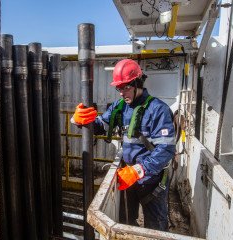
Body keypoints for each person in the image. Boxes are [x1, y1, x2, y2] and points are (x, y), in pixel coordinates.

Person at [71, 59, 175, 231]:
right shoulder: (120, 108)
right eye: (118, 88)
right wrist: (78, 119)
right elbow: (100, 125)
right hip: (128, 179)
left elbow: (166, 150)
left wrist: (138, 170)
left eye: (125, 87)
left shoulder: (158, 110)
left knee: (155, 228)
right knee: (126, 223)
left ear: (137, 83)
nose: (121, 92)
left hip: (152, 181)